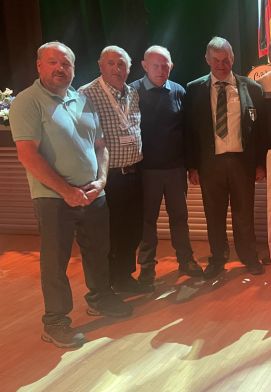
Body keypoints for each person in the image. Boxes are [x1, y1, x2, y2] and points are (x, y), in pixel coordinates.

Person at [10, 42, 132, 348]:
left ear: (74, 69)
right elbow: (28, 155)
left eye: (66, 64)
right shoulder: (28, 102)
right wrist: (67, 191)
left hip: (92, 194)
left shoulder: (82, 99)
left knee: (98, 252)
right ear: (39, 65)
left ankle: (100, 298)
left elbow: (100, 146)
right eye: (53, 62)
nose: (60, 69)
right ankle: (55, 322)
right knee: (55, 262)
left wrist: (101, 181)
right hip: (54, 199)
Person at [184, 36, 266, 278]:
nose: (221, 64)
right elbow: (189, 131)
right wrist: (192, 166)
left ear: (233, 58)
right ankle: (217, 259)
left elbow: (261, 131)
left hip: (242, 163)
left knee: (244, 214)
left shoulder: (252, 88)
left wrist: (260, 164)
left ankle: (249, 257)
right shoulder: (194, 89)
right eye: (216, 60)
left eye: (226, 59)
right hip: (210, 165)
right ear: (207, 60)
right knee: (214, 215)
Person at [130, 45, 202, 287]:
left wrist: (191, 166)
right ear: (144, 66)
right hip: (146, 171)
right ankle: (147, 269)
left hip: (174, 170)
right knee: (146, 221)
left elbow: (189, 132)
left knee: (180, 218)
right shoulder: (133, 92)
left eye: (165, 65)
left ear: (171, 66)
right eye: (156, 66)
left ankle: (186, 260)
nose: (161, 70)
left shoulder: (179, 91)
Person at [79, 46, 148, 293]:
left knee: (133, 229)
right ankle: (106, 284)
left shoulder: (132, 93)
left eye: (121, 65)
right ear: (100, 65)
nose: (116, 69)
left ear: (129, 69)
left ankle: (124, 277)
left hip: (134, 172)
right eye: (111, 63)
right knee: (110, 232)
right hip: (108, 177)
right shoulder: (87, 94)